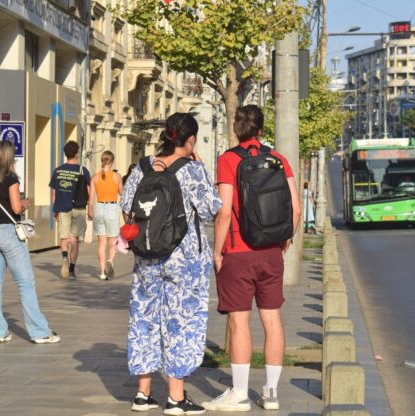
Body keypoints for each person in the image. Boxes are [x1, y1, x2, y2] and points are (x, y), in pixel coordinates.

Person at [121, 113, 222, 415]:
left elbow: (127, 208)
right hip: (185, 259)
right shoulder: (192, 170)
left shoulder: (142, 167)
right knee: (181, 321)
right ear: (190, 140)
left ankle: (142, 394)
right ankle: (176, 398)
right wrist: (200, 167)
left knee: (144, 318)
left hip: (147, 257)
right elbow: (210, 210)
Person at [204, 105, 302, 412]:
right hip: (271, 252)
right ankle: (271, 394)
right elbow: (296, 209)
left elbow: (223, 211)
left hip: (238, 251)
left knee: (239, 321)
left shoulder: (228, 160)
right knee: (273, 320)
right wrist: (285, 238)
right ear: (261, 129)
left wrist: (217, 251)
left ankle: (241, 394)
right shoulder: (278, 159)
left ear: (236, 128)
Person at [0, 141, 60, 344]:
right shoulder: (10, 177)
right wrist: (24, 203)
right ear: (10, 157)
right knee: (25, 283)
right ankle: (39, 331)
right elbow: (15, 208)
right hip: (7, 232)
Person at [49, 141, 91, 279]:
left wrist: (55, 210)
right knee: (74, 239)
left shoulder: (58, 170)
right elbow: (89, 191)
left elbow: (54, 193)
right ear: (77, 153)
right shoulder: (82, 170)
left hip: (63, 208)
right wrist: (90, 207)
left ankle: (64, 257)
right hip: (79, 208)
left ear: (65, 153)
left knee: (64, 237)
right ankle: (72, 270)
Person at [88, 150, 123, 281]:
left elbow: (91, 197)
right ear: (112, 161)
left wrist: (89, 211)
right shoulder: (116, 176)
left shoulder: (95, 177)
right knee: (112, 241)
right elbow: (121, 192)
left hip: (99, 208)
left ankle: (102, 272)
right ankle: (110, 260)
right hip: (111, 208)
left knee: (101, 243)